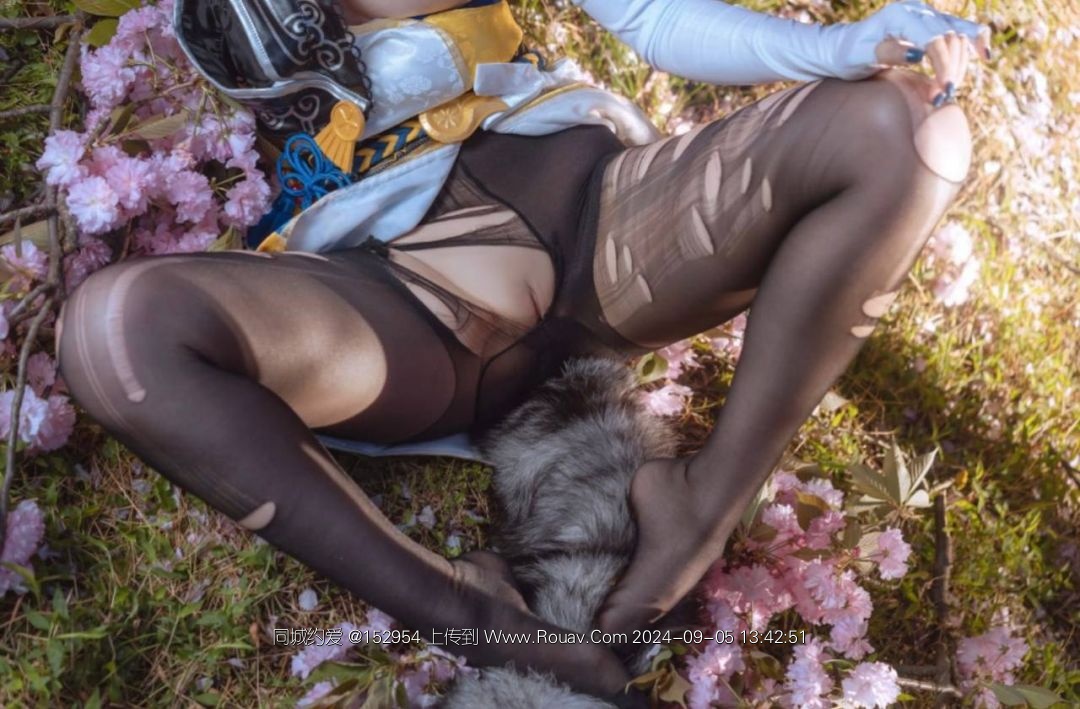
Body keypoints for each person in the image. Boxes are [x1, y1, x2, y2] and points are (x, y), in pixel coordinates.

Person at [55, 0, 990, 700]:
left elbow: (653, 15)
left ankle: (702, 503)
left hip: (606, 225)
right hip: (400, 307)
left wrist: (845, 47)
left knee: (908, 127)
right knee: (116, 329)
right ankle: (471, 613)